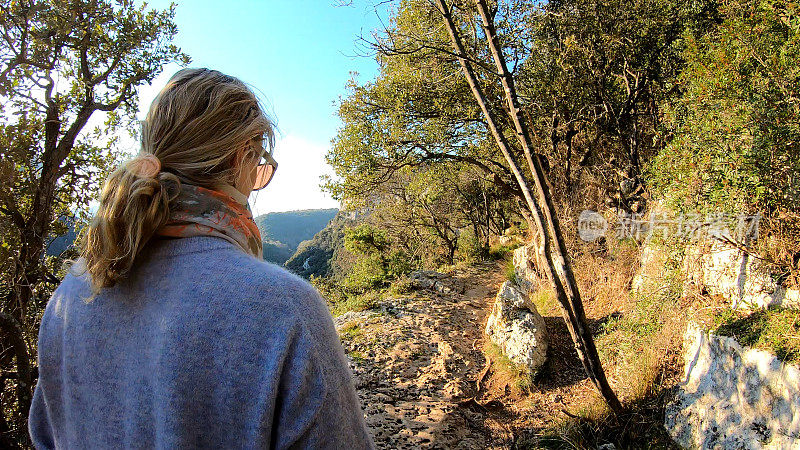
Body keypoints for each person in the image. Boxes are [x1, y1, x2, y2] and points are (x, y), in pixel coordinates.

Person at [28, 68, 376, 449]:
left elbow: (48, 437)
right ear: (241, 156)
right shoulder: (285, 309)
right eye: (259, 166)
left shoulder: (71, 293)